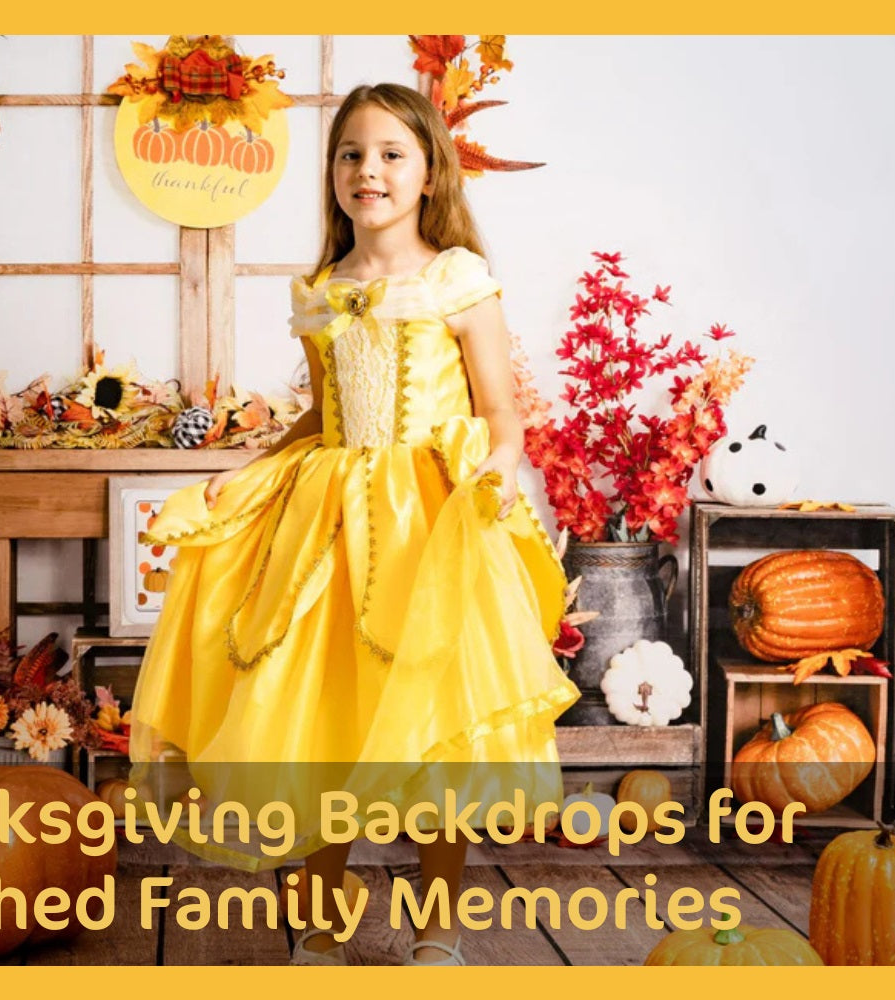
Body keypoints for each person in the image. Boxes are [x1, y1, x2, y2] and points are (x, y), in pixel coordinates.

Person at [126, 82, 579, 966]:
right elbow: (322, 416)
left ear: (429, 172)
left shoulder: (458, 280)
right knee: (318, 717)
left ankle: (437, 934)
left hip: (430, 525)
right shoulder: (324, 291)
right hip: (329, 521)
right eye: (350, 155)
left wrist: (498, 469)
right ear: (333, 172)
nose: (368, 171)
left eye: (389, 155)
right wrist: (248, 468)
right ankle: (323, 937)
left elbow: (503, 414)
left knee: (436, 724)